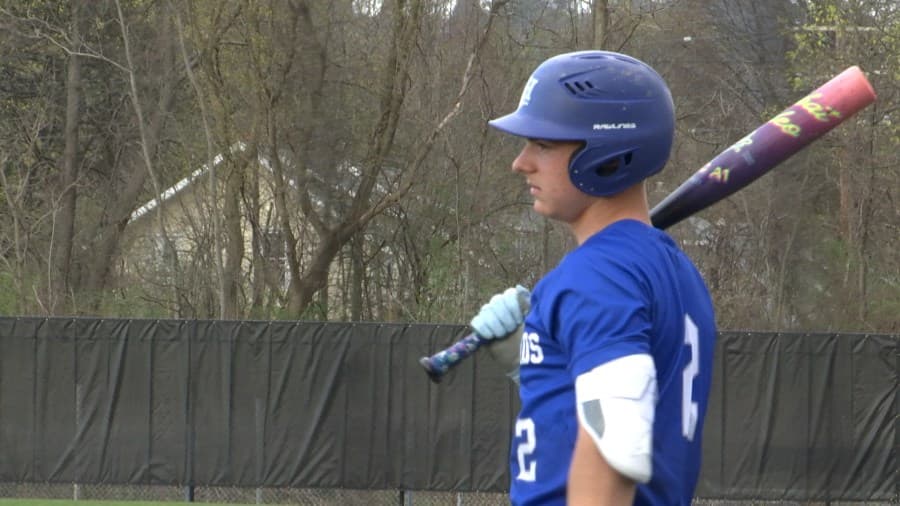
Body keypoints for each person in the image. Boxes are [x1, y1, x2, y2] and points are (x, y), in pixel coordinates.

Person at [468, 51, 717, 505]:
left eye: (543, 144)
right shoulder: (675, 272)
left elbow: (617, 445)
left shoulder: (598, 276)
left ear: (608, 156)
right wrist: (538, 363)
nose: (521, 163)